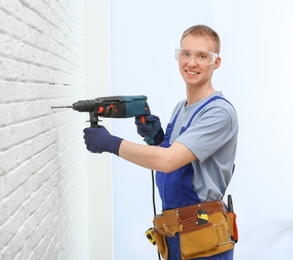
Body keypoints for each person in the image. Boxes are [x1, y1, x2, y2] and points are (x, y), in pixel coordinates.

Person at [83, 25, 238, 260]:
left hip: (204, 237)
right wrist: (158, 140)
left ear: (216, 63)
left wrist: (110, 143)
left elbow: (168, 162)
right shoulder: (180, 108)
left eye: (202, 56)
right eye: (186, 53)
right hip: (175, 233)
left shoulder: (219, 112)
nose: (191, 62)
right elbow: (175, 155)